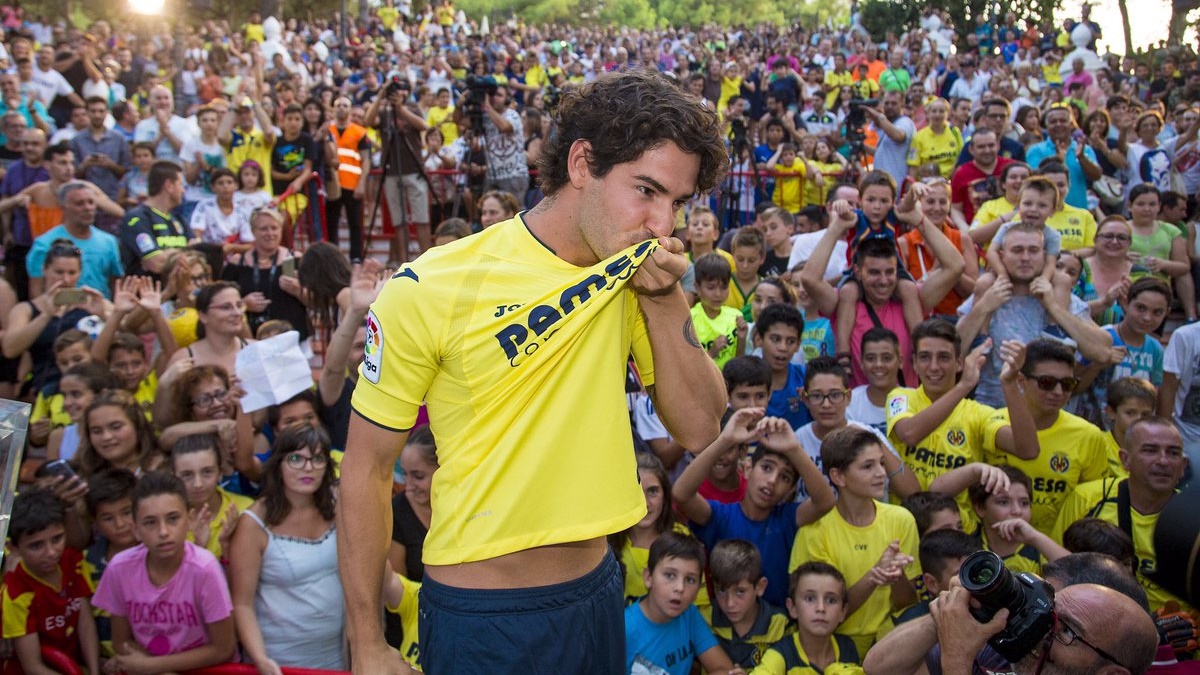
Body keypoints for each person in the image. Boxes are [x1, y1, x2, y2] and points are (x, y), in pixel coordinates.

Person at [340, 70, 729, 675]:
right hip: (482, 616)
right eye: (646, 190)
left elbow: (702, 427)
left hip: (598, 592)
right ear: (581, 164)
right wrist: (367, 642)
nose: (662, 224)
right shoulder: (432, 286)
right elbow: (365, 471)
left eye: (677, 203)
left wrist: (663, 295)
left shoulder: (634, 275)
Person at [789, 425, 921, 655]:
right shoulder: (813, 531)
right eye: (868, 466)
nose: (881, 473)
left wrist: (896, 576)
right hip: (832, 649)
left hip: (891, 645)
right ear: (838, 476)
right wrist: (875, 575)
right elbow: (823, 614)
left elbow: (909, 606)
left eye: (881, 463)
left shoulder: (902, 520)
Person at [91, 472, 237, 674]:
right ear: (135, 529)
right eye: (150, 522)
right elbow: (121, 641)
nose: (163, 532)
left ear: (190, 520)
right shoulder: (119, 568)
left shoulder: (205, 568)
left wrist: (153, 667)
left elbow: (223, 649)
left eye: (173, 519)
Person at [230, 425, 346, 672]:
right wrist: (261, 659)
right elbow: (242, 604)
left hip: (336, 657)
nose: (308, 468)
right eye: (296, 459)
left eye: (317, 459)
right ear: (278, 465)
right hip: (278, 662)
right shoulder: (253, 523)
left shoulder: (337, 506)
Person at [1052, 416, 1191, 615]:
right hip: (1094, 619)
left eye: (1173, 453)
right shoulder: (1088, 499)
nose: (1163, 461)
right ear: (1125, 459)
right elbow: (1055, 570)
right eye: (1150, 450)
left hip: (1178, 628)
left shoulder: (1193, 516)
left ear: (1183, 465)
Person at [1, 489, 101, 675]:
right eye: (36, 545)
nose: (51, 552)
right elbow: (33, 667)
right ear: (13, 548)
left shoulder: (72, 561)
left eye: (57, 539)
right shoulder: (16, 592)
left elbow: (85, 624)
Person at [625, 531, 744, 675]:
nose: (680, 588)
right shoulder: (624, 628)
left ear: (699, 588)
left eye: (690, 580)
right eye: (670, 575)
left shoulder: (688, 614)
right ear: (648, 577)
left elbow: (724, 669)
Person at [753, 562, 865, 675]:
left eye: (831, 600)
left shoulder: (847, 648)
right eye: (810, 598)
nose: (821, 608)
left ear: (843, 611)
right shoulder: (780, 655)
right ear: (792, 607)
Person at [26, 180, 124, 298]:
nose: (87, 208)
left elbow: (115, 283)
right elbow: (36, 290)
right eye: (79, 203)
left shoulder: (109, 242)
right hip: (59, 308)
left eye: (91, 202)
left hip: (100, 307)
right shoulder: (44, 244)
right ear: (63, 208)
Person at [221, 207, 307, 340]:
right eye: (263, 229)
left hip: (292, 336)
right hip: (250, 338)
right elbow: (221, 301)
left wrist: (297, 291)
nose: (270, 233)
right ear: (253, 231)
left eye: (274, 228)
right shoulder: (238, 262)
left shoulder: (296, 259)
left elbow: (315, 302)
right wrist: (243, 304)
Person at [709, 539, 791, 669]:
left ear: (760, 587)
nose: (730, 603)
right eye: (721, 591)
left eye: (740, 592)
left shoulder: (781, 625)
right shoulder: (703, 619)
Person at [118, 160, 188, 276]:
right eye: (181, 185)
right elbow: (156, 263)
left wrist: (167, 255)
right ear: (169, 186)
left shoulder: (178, 219)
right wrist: (187, 251)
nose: (183, 190)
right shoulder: (137, 219)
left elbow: (199, 255)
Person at [1024, 104, 1101, 210]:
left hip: (1077, 212)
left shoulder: (1083, 149)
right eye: (1053, 122)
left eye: (1063, 121)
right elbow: (1032, 178)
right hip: (1046, 212)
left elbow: (1096, 176)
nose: (1058, 124)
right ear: (1046, 126)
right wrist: (1056, 160)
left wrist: (1082, 158)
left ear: (1071, 124)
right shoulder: (1036, 150)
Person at [388, 427, 438, 581]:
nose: (408, 486)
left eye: (418, 476)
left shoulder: (466, 504)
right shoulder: (397, 512)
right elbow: (398, 585)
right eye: (405, 474)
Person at [326, 95, 372, 260]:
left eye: (345, 105)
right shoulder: (327, 130)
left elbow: (366, 160)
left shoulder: (359, 132)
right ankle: (333, 257)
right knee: (331, 223)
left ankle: (356, 258)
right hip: (332, 183)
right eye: (338, 105)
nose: (341, 108)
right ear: (333, 109)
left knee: (355, 224)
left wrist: (362, 184)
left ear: (350, 110)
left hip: (352, 184)